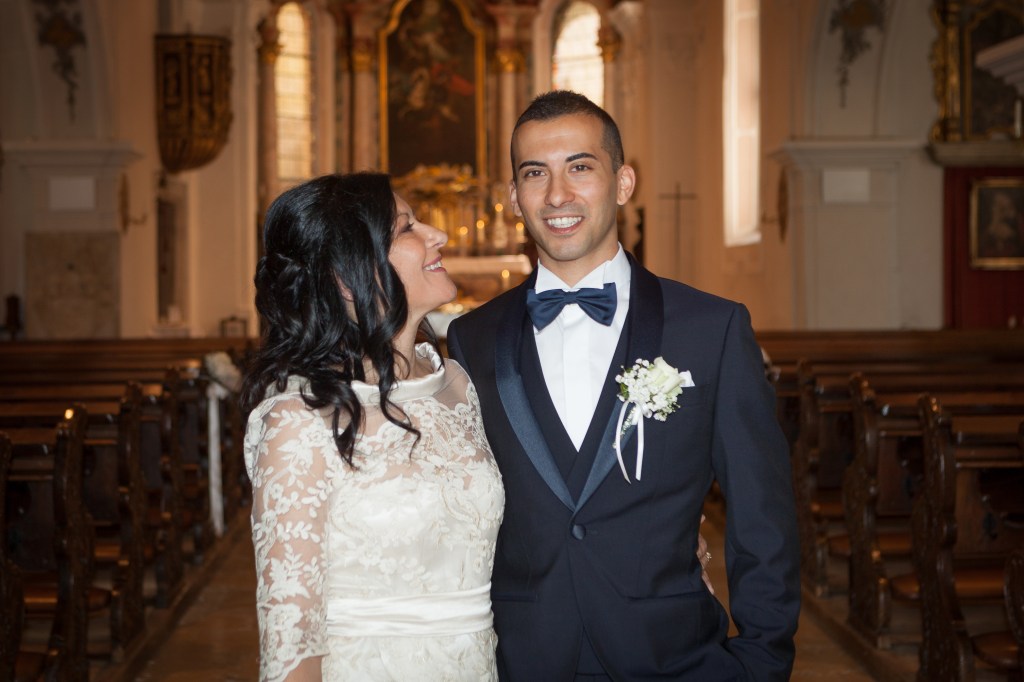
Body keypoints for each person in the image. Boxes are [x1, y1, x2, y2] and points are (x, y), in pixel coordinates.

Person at [447, 91, 801, 680]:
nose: (557, 195)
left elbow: (762, 513)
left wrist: (762, 660)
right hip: (524, 658)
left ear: (623, 182)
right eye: (535, 173)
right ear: (512, 196)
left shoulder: (710, 329)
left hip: (675, 656)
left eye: (580, 167)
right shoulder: (472, 338)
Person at [241, 172, 505, 681]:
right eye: (407, 227)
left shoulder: (456, 384)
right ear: (346, 275)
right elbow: (292, 643)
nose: (437, 235)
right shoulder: (298, 421)